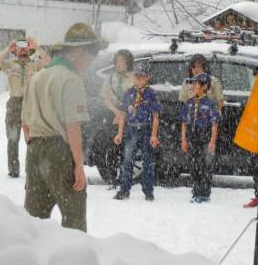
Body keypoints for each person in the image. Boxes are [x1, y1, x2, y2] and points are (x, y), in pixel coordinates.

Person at [22, 23, 107, 231]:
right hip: (59, 151)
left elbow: (25, 124)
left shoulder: (37, 77)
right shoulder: (71, 80)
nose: (89, 63)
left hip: (34, 150)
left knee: (34, 221)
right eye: (90, 56)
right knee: (73, 219)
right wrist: (78, 165)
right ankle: (73, 262)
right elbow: (73, 127)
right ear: (78, 51)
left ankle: (32, 259)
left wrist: (37, 150)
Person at [0, 36, 50, 178]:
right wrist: (8, 49)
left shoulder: (35, 64)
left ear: (29, 48)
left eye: (26, 46)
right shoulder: (10, 64)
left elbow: (49, 63)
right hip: (14, 103)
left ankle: (32, 169)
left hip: (30, 103)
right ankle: (13, 170)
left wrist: (37, 47)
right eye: (20, 46)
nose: (23, 49)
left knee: (32, 138)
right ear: (16, 49)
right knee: (13, 138)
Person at [113, 64, 161, 201]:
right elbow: (122, 114)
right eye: (137, 77)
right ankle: (124, 190)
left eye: (142, 77)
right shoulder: (128, 93)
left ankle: (148, 191)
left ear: (147, 78)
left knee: (148, 162)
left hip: (146, 129)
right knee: (127, 161)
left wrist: (153, 134)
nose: (140, 80)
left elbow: (156, 116)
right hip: (131, 129)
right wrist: (120, 133)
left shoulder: (151, 94)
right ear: (133, 78)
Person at [180, 72, 220, 203]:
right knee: (193, 165)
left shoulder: (210, 103)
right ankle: (196, 191)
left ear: (204, 86)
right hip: (192, 136)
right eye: (192, 83)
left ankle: (204, 193)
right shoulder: (189, 103)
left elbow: (214, 124)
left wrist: (212, 141)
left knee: (205, 166)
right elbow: (184, 123)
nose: (192, 86)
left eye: (196, 83)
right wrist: (184, 139)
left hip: (205, 135)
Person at [98, 49, 135, 188]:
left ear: (128, 63)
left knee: (127, 148)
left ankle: (125, 179)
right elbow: (106, 98)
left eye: (123, 61)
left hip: (129, 116)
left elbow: (136, 98)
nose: (119, 64)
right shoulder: (109, 78)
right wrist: (115, 111)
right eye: (117, 61)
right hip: (112, 115)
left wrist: (124, 112)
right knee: (112, 147)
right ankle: (112, 178)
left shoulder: (134, 78)